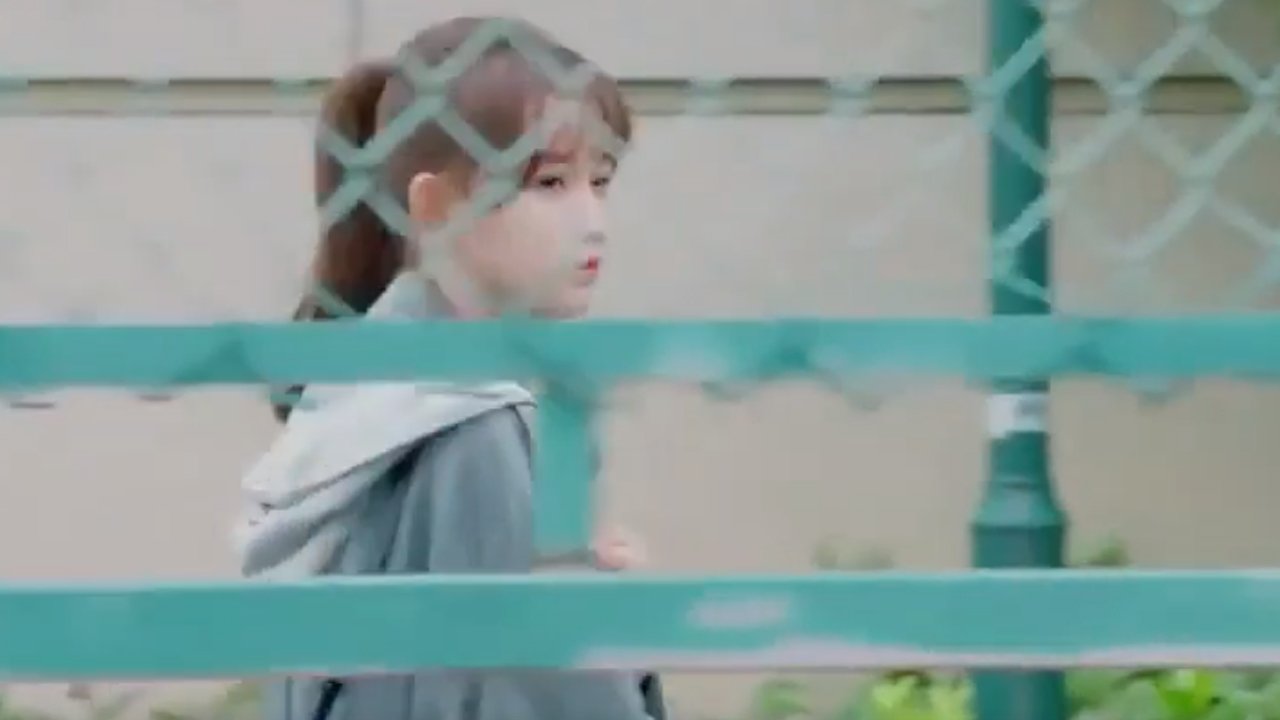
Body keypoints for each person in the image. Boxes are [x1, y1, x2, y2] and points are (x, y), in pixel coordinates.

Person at [231, 15, 665, 720]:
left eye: (601, 181)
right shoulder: (474, 429)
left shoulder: (363, 397)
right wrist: (623, 625)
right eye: (550, 183)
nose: (593, 221)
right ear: (436, 206)